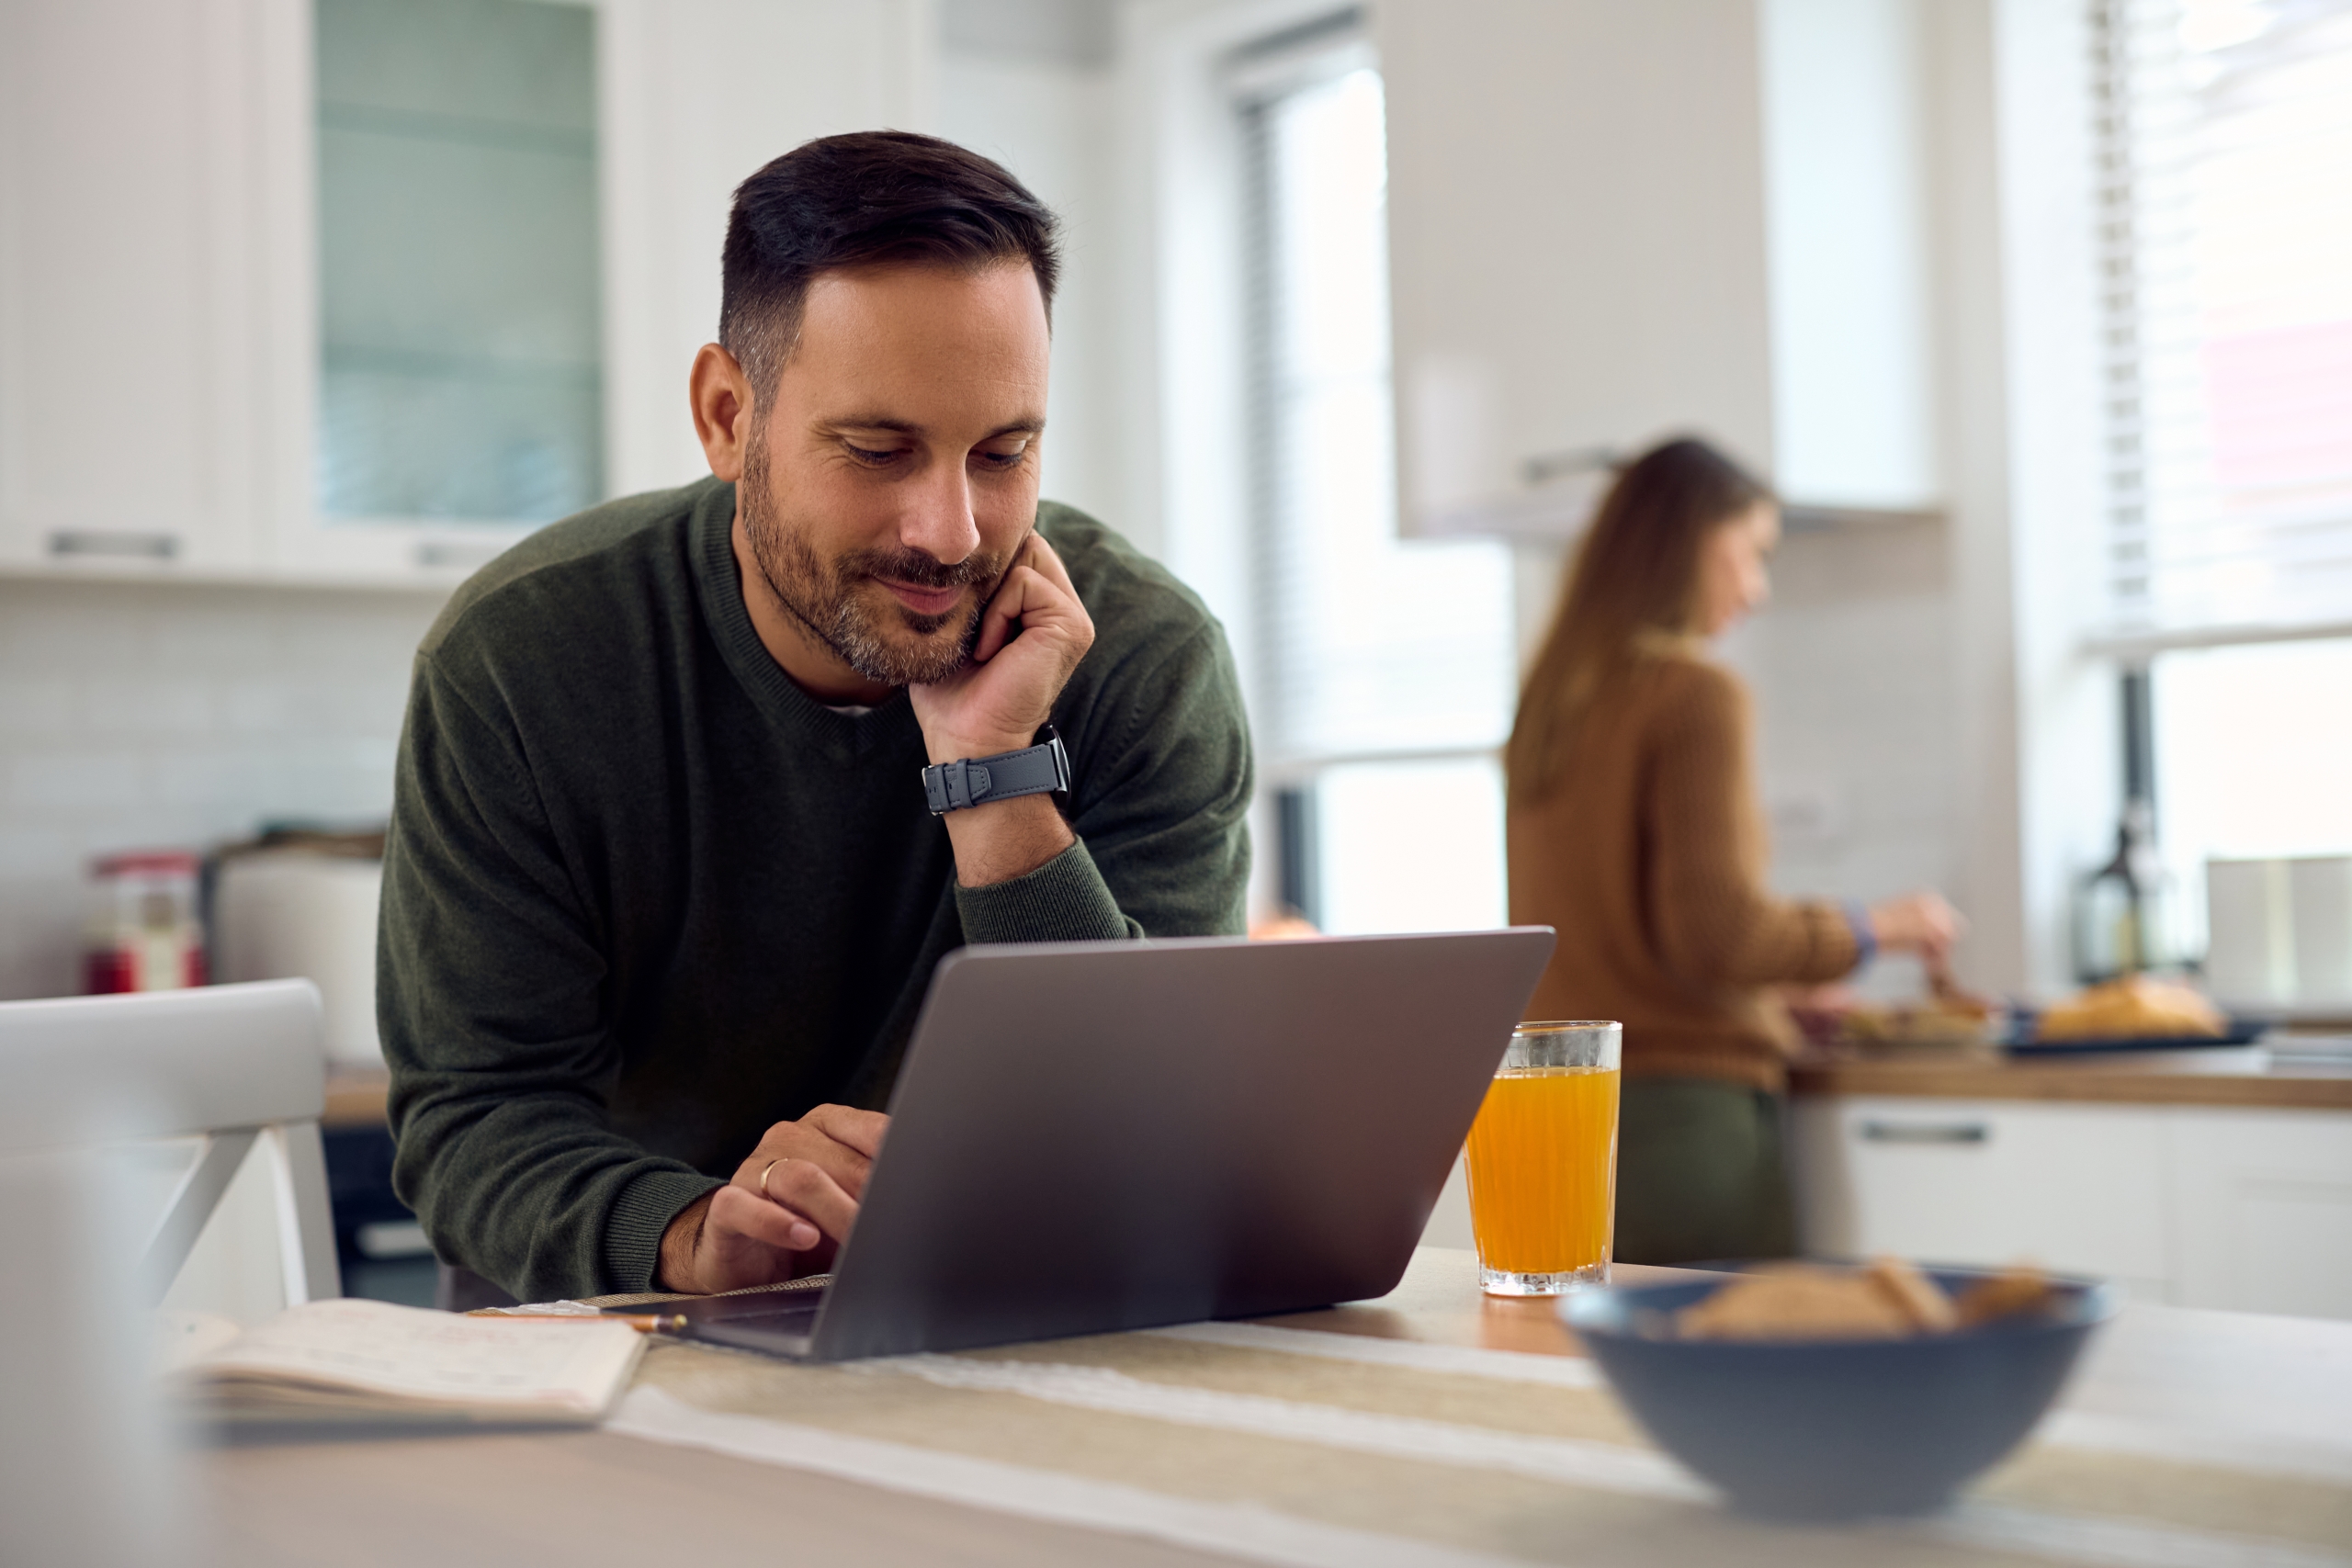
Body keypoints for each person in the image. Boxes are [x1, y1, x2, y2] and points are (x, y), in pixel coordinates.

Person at [379, 132, 1253, 1305]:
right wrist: (694, 1234)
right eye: (877, 449)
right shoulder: (521, 660)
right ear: (728, 414)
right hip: (612, 1346)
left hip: (1005, 1327)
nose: (949, 531)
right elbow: (476, 1118)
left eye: (1004, 452)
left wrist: (992, 776)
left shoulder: (1142, 658)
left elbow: (1162, 1131)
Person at [1504, 437, 1959, 1265]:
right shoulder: (1693, 694)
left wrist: (1772, 993)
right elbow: (1719, 936)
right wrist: (1879, 925)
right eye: (1751, 552)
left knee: (1582, 1386)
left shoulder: (1551, 706)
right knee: (1733, 1387)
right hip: (1686, 1133)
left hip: (1565, 1123)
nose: (1758, 586)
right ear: (1690, 544)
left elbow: (1621, 941)